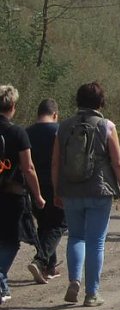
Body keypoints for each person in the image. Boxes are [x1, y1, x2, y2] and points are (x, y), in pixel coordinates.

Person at [53, 82, 120, 307]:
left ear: (78, 100)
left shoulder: (63, 127)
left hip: (71, 190)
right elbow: (118, 163)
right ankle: (92, 293)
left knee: (75, 237)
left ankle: (74, 281)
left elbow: (55, 163)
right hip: (99, 190)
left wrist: (57, 190)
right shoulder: (107, 126)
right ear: (101, 102)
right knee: (96, 242)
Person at [0, 85, 46, 305]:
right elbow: (28, 168)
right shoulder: (17, 132)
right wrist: (38, 196)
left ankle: (2, 283)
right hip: (12, 194)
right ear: (12, 106)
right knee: (11, 241)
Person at [25, 99, 66, 283]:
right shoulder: (60, 131)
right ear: (55, 114)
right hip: (56, 182)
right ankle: (40, 260)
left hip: (33, 184)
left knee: (44, 224)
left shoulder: (27, 132)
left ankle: (49, 267)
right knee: (59, 224)